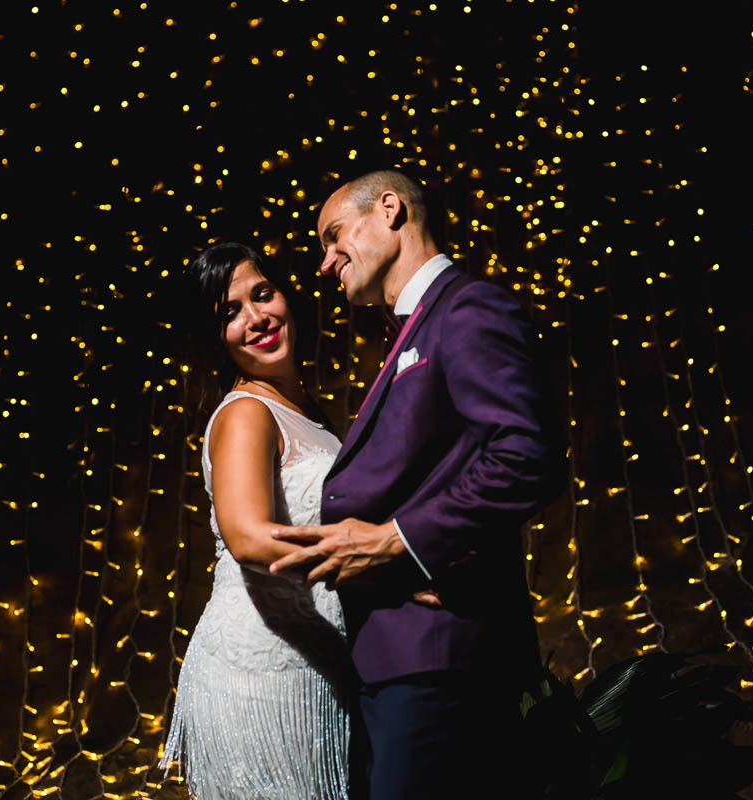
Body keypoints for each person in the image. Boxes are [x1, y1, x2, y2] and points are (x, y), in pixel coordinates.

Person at [270, 170, 561, 799]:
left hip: (440, 660)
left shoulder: (467, 307)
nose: (325, 263)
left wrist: (396, 542)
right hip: (395, 662)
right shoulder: (411, 330)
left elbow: (525, 453)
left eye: (333, 236)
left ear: (390, 210)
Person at [158, 242, 354, 800]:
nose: (257, 318)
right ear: (214, 337)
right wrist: (370, 558)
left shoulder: (308, 411)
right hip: (260, 669)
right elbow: (245, 535)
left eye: (262, 294)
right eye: (230, 313)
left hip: (314, 659)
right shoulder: (247, 411)